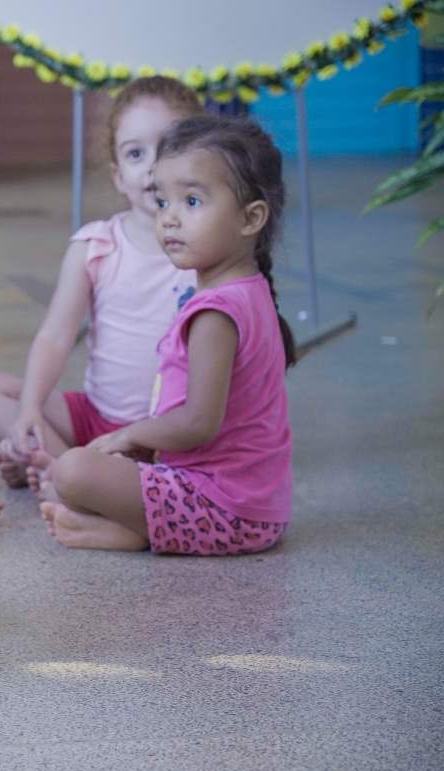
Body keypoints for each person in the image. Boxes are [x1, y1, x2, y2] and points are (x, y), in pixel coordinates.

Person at [39, 116, 295, 556]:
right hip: (252, 507)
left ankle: (135, 533)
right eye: (162, 201)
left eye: (192, 201)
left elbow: (198, 423)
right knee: (79, 474)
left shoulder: (216, 313)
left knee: (71, 471)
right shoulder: (247, 291)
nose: (169, 219)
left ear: (251, 217)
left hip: (226, 510)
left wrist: (131, 435)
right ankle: (137, 527)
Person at [0, 77, 203, 495]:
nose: (152, 166)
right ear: (118, 175)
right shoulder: (96, 247)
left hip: (171, 435)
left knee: (164, 462)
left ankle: (64, 475)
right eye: (135, 153)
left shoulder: (208, 250)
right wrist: (29, 411)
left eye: (168, 147)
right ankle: (62, 467)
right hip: (96, 417)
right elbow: (55, 338)